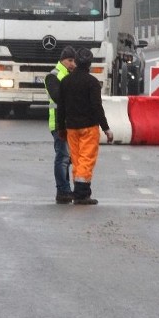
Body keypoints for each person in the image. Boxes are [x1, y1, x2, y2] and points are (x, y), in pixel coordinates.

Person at [56, 48, 114, 204]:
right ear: (89, 64)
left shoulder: (66, 81)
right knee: (86, 160)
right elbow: (97, 107)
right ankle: (81, 194)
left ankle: (81, 192)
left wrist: (61, 128)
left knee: (76, 160)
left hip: (71, 128)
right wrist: (106, 128)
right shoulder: (92, 83)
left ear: (76, 61)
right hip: (89, 127)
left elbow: (60, 107)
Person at [44, 45, 77, 204]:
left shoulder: (70, 75)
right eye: (70, 60)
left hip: (69, 123)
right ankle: (63, 190)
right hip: (58, 123)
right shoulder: (54, 76)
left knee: (67, 158)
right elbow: (58, 97)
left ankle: (64, 190)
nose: (73, 64)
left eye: (74, 61)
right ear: (62, 60)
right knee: (62, 157)